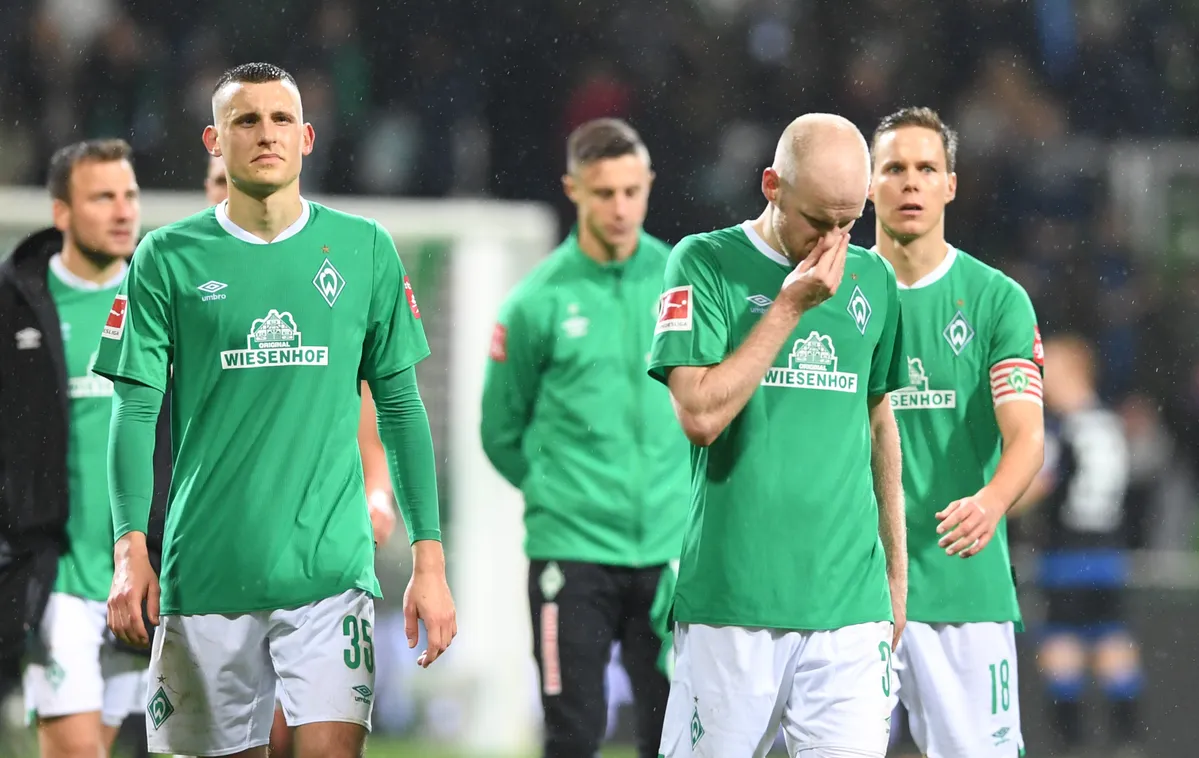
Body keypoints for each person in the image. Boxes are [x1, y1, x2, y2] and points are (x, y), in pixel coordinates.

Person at [91, 62, 457, 758]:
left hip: (327, 572)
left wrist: (428, 560)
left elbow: (402, 409)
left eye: (281, 119)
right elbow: (133, 413)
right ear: (214, 140)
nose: (266, 133)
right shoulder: (166, 257)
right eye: (246, 120)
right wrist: (129, 548)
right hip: (203, 569)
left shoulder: (365, 249)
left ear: (308, 136)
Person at [649, 113, 908, 758]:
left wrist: (896, 582)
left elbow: (880, 426)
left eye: (850, 224)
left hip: (851, 607)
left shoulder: (874, 282)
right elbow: (700, 416)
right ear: (772, 185)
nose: (833, 244)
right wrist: (789, 306)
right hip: (733, 602)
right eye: (818, 222)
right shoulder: (704, 263)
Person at [479, 117, 687, 758]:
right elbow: (499, 431)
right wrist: (562, 494)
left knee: (675, 734)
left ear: (650, 184)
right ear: (573, 188)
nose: (620, 208)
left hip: (671, 551)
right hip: (570, 555)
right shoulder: (535, 303)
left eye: (632, 191)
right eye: (604, 193)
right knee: (573, 733)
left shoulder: (681, 282)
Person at [199, 153, 402, 758]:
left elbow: (368, 411)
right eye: (216, 185)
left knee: (301, 730)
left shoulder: (322, 275)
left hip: (313, 548)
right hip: (214, 551)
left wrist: (378, 492)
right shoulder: (183, 285)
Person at [868, 106, 1045, 757]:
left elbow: (1026, 434)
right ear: (867, 183)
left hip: (959, 584)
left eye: (925, 168)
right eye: (893, 168)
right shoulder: (829, 295)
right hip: (849, 588)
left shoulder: (996, 300)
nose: (909, 183)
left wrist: (991, 502)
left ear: (950, 184)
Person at [0, 138, 167, 758]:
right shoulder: (16, 304)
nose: (124, 211)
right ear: (62, 213)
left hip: (143, 578)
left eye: (129, 195)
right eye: (102, 197)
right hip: (59, 575)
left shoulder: (163, 301)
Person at [1015, 334, 1140, 758]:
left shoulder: (1060, 427)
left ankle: (1074, 745)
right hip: (1108, 554)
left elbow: (1040, 483)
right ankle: (1128, 741)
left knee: (1060, 645)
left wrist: (998, 501)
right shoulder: (1109, 422)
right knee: (1111, 640)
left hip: (1065, 557)